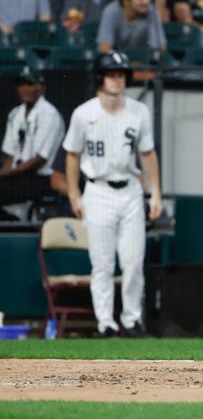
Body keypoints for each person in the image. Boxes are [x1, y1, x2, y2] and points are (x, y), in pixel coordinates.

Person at [63, 51, 163, 338]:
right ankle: (105, 322)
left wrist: (155, 193)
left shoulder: (138, 111)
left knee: (133, 262)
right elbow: (72, 155)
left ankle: (131, 320)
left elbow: (148, 154)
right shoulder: (84, 113)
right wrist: (74, 194)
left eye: (121, 75)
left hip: (130, 190)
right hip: (97, 190)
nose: (117, 80)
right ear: (100, 78)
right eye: (111, 75)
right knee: (103, 263)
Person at [0, 66, 65, 207]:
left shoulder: (49, 114)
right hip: (20, 175)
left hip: (44, 177)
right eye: (21, 84)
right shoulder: (15, 114)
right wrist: (5, 172)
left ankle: (14, 226)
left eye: (30, 84)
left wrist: (8, 173)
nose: (25, 89)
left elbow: (39, 160)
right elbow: (10, 155)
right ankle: (11, 222)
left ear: (41, 87)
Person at [97, 0, 166, 53]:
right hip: (116, 62)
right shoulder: (111, 11)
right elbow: (105, 48)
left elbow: (160, 48)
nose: (146, 2)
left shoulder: (151, 11)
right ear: (126, 0)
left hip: (143, 62)